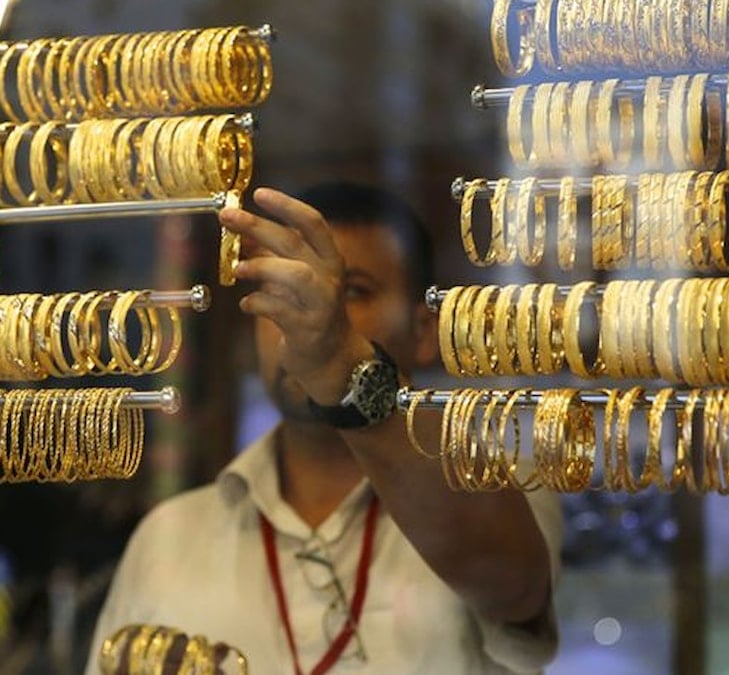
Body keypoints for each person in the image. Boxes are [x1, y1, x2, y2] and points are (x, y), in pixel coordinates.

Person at [87, 182, 562, 673]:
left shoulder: (500, 488)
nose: (305, 316)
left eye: (352, 292)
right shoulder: (170, 535)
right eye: (281, 291)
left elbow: (511, 585)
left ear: (423, 331)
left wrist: (344, 366)